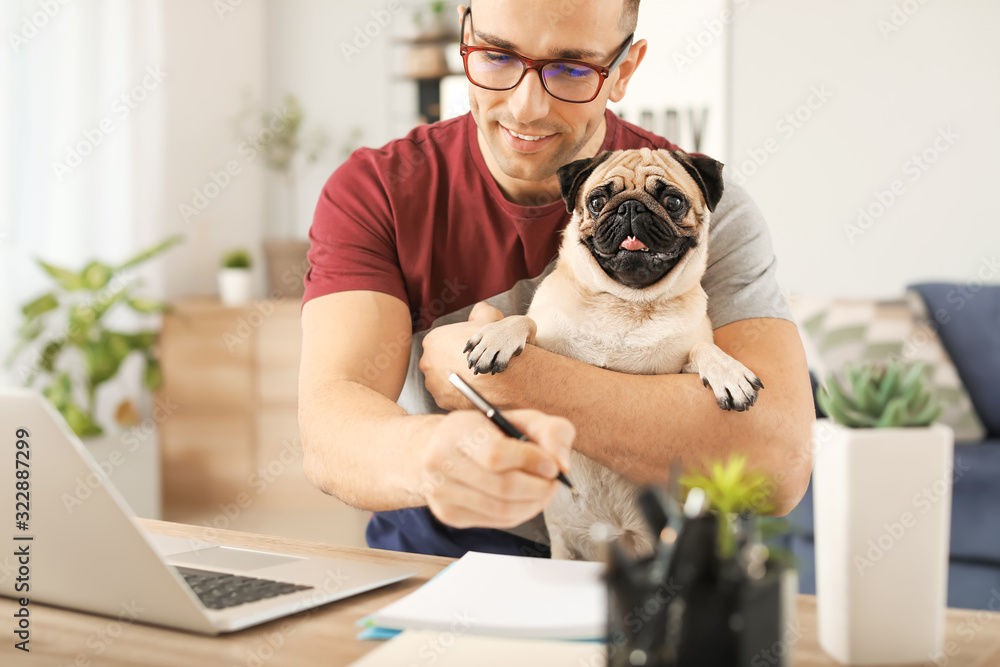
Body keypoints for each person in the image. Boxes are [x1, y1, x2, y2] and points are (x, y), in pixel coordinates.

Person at [298, 0, 814, 559]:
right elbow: (330, 430)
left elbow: (777, 465)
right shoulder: (379, 191)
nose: (526, 106)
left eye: (571, 69)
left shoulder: (707, 211)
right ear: (464, 39)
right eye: (496, 55)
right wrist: (432, 456)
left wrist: (515, 382)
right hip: (438, 557)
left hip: (652, 574)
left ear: (623, 71)